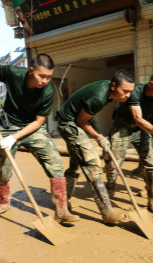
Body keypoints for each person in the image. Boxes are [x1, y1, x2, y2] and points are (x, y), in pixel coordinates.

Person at [0, 53, 79, 223]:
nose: (45, 81)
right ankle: (4, 201)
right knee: (2, 166)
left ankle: (61, 210)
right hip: (8, 126)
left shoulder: (47, 92)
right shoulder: (14, 73)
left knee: (54, 160)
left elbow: (39, 121)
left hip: (32, 127)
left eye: (49, 77)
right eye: (41, 76)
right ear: (31, 70)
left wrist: (15, 138)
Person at [56, 70, 135, 224]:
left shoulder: (108, 93)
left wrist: (99, 135)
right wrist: (98, 136)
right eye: (125, 91)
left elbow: (88, 118)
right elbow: (81, 121)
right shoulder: (99, 97)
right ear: (113, 86)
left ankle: (62, 204)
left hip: (76, 120)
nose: (128, 95)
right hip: (68, 123)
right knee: (91, 163)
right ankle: (107, 211)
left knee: (76, 164)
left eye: (130, 92)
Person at [105, 70, 153, 214]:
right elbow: (138, 119)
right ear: (151, 84)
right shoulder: (136, 91)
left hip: (143, 129)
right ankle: (110, 189)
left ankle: (152, 200)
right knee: (114, 163)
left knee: (151, 164)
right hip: (123, 125)